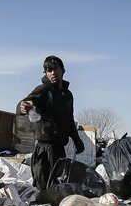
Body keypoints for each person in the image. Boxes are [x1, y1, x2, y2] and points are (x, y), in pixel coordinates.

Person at [17, 55, 85, 190]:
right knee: (44, 187)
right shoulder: (43, 90)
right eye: (49, 70)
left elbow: (69, 119)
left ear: (63, 70)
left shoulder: (67, 95)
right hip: (44, 149)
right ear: (46, 73)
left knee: (59, 186)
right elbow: (25, 101)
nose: (53, 73)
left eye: (56, 69)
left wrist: (77, 140)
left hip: (59, 149)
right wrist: (22, 106)